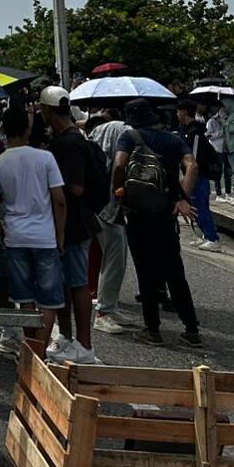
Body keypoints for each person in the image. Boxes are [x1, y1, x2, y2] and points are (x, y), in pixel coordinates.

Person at [114, 98, 202, 347]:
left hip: (138, 214)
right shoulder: (172, 139)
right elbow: (192, 166)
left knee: (146, 271)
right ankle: (192, 329)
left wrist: (118, 192)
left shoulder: (129, 137)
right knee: (174, 271)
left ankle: (152, 330)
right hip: (165, 214)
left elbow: (120, 164)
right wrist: (182, 198)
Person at [0, 104, 66, 351]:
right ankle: (40, 350)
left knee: (25, 299)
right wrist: (60, 236)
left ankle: (31, 347)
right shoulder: (45, 158)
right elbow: (60, 199)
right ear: (27, 129)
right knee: (49, 299)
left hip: (15, 236)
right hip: (45, 236)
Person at [39, 87, 100, 364]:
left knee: (77, 283)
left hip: (74, 223)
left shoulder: (71, 142)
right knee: (64, 284)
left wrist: (52, 185)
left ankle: (85, 344)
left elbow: (75, 188)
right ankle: (65, 336)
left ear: (47, 110)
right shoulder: (65, 138)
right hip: (66, 223)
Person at [86, 106, 136, 333]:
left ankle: (110, 306)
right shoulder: (126, 133)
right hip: (109, 204)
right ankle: (104, 312)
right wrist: (118, 192)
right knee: (115, 257)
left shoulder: (97, 133)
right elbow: (118, 166)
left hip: (97, 201)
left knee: (113, 255)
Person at [177, 99, 221, 251]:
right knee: (195, 206)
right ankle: (205, 235)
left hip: (198, 175)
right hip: (193, 174)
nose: (177, 114)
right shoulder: (186, 130)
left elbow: (193, 157)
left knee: (201, 206)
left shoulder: (194, 132)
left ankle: (212, 238)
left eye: (178, 111)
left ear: (184, 112)